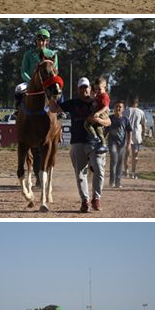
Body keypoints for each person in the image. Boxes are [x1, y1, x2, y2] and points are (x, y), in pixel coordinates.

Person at [58, 77, 99, 212]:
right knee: (80, 173)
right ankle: (85, 200)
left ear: (90, 88)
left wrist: (98, 120)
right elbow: (54, 108)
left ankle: (96, 198)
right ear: (78, 89)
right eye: (81, 87)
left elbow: (107, 121)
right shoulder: (73, 103)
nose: (84, 90)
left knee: (98, 171)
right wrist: (52, 95)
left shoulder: (96, 103)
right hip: (77, 142)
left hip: (94, 142)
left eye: (86, 87)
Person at [17, 27, 59, 108]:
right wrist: (31, 81)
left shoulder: (52, 54)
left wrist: (51, 82)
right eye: (39, 40)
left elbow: (55, 71)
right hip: (31, 82)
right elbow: (23, 71)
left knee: (59, 90)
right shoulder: (28, 54)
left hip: (48, 83)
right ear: (36, 41)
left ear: (47, 41)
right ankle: (18, 110)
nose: (40, 43)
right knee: (18, 88)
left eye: (43, 41)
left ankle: (59, 110)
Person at [106, 101, 131, 188]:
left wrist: (129, 143)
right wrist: (102, 140)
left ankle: (118, 182)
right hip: (112, 142)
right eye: (117, 106)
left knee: (120, 162)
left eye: (120, 107)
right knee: (114, 160)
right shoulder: (110, 118)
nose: (118, 108)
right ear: (114, 108)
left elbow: (129, 131)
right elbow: (106, 130)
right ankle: (112, 181)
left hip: (122, 143)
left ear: (123, 109)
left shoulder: (125, 119)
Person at [83, 76, 111, 152]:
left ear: (105, 87)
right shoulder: (98, 96)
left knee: (88, 124)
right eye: (96, 89)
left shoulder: (104, 96)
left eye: (99, 89)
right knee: (96, 127)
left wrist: (98, 113)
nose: (97, 91)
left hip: (102, 114)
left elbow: (106, 107)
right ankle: (99, 140)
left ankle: (97, 139)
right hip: (98, 113)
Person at [124, 97, 146, 179]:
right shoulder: (141, 112)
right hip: (136, 135)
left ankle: (126, 171)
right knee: (135, 155)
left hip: (126, 134)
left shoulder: (125, 111)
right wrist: (143, 135)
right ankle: (133, 172)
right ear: (137, 103)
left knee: (126, 155)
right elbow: (143, 125)